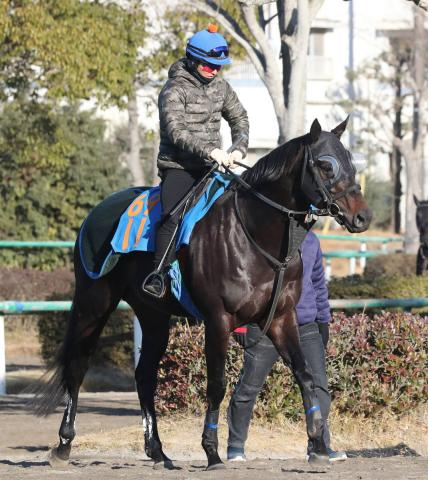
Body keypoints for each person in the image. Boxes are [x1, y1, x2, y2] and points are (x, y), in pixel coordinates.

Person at [142, 23, 249, 298]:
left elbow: (239, 118)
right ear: (192, 60)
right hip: (179, 168)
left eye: (219, 66)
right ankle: (158, 275)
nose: (215, 71)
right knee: (172, 216)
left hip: (215, 166)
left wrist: (238, 148)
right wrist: (211, 151)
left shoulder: (222, 87)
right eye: (209, 65)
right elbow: (176, 131)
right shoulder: (173, 90)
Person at [227, 231, 347, 463]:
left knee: (319, 387)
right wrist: (239, 323)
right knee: (249, 386)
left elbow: (318, 283)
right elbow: (240, 281)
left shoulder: (311, 241)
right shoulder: (261, 236)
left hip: (305, 326)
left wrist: (323, 320)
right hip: (266, 325)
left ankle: (319, 447)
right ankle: (235, 447)